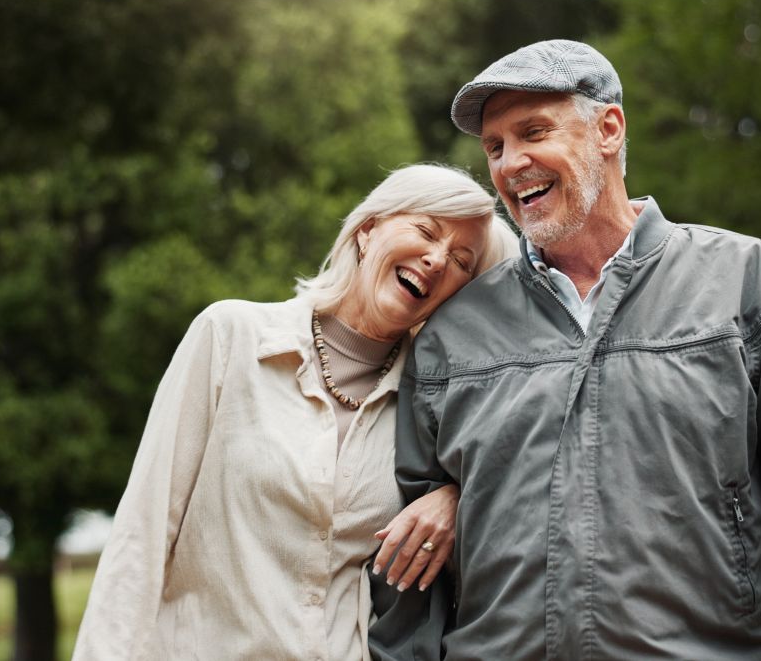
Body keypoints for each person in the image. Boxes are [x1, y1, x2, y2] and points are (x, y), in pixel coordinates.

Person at [369, 40, 761, 660]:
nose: (510, 163)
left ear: (608, 128)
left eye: (533, 132)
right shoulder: (453, 332)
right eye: (495, 147)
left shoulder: (749, 287)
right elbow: (410, 572)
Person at [72, 163, 518, 660]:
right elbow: (144, 532)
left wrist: (456, 496)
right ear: (367, 231)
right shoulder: (231, 337)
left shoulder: (430, 405)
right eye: (425, 231)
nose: (436, 260)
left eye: (461, 260)